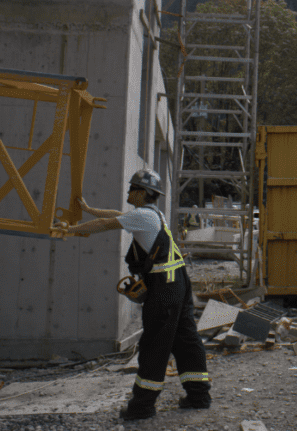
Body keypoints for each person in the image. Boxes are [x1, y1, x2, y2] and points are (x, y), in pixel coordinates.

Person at [67, 169, 211, 420]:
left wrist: (70, 229)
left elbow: (107, 224)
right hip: (178, 281)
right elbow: (115, 216)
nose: (128, 192)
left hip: (164, 286)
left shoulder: (144, 216)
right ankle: (199, 395)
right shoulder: (152, 214)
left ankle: (142, 406)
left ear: (142, 192)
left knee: (155, 343)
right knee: (185, 337)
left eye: (132, 188)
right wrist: (90, 210)